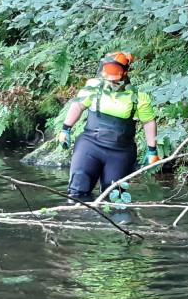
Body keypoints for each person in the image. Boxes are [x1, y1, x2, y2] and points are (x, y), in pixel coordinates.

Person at [57, 52, 160, 201]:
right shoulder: (94, 87)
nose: (112, 83)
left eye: (116, 80)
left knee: (114, 196)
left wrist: (152, 150)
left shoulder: (138, 97)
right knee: (77, 190)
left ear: (125, 73)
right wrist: (65, 129)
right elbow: (78, 106)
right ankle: (75, 219)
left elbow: (148, 122)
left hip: (121, 152)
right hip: (90, 145)